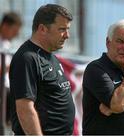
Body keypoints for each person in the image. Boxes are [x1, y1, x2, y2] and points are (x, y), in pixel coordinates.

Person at [9, 4, 75, 135]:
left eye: (67, 29)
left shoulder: (50, 56)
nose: (67, 35)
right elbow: (25, 109)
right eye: (62, 29)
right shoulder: (27, 58)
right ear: (42, 29)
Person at [0, 11, 22, 125]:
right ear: (5, 26)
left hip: (8, 87)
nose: (16, 35)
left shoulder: (6, 44)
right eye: (14, 31)